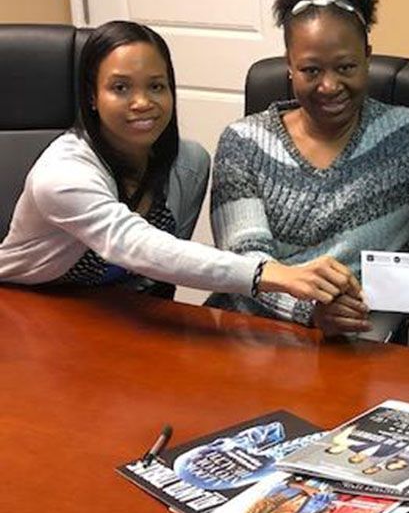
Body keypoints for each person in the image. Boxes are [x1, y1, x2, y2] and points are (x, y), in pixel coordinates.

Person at [0, 20, 357, 304]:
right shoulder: (62, 175)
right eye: (120, 88)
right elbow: (138, 246)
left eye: (156, 86)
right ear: (92, 96)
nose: (143, 102)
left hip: (118, 318)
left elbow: (159, 275)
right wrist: (271, 274)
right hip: (28, 309)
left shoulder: (187, 164)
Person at [207, 0, 409, 337]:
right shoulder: (243, 142)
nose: (329, 86)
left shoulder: (408, 137)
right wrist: (308, 309)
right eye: (311, 70)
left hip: (349, 338)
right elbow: (244, 261)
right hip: (243, 330)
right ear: (289, 66)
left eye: (345, 67)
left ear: (367, 58)